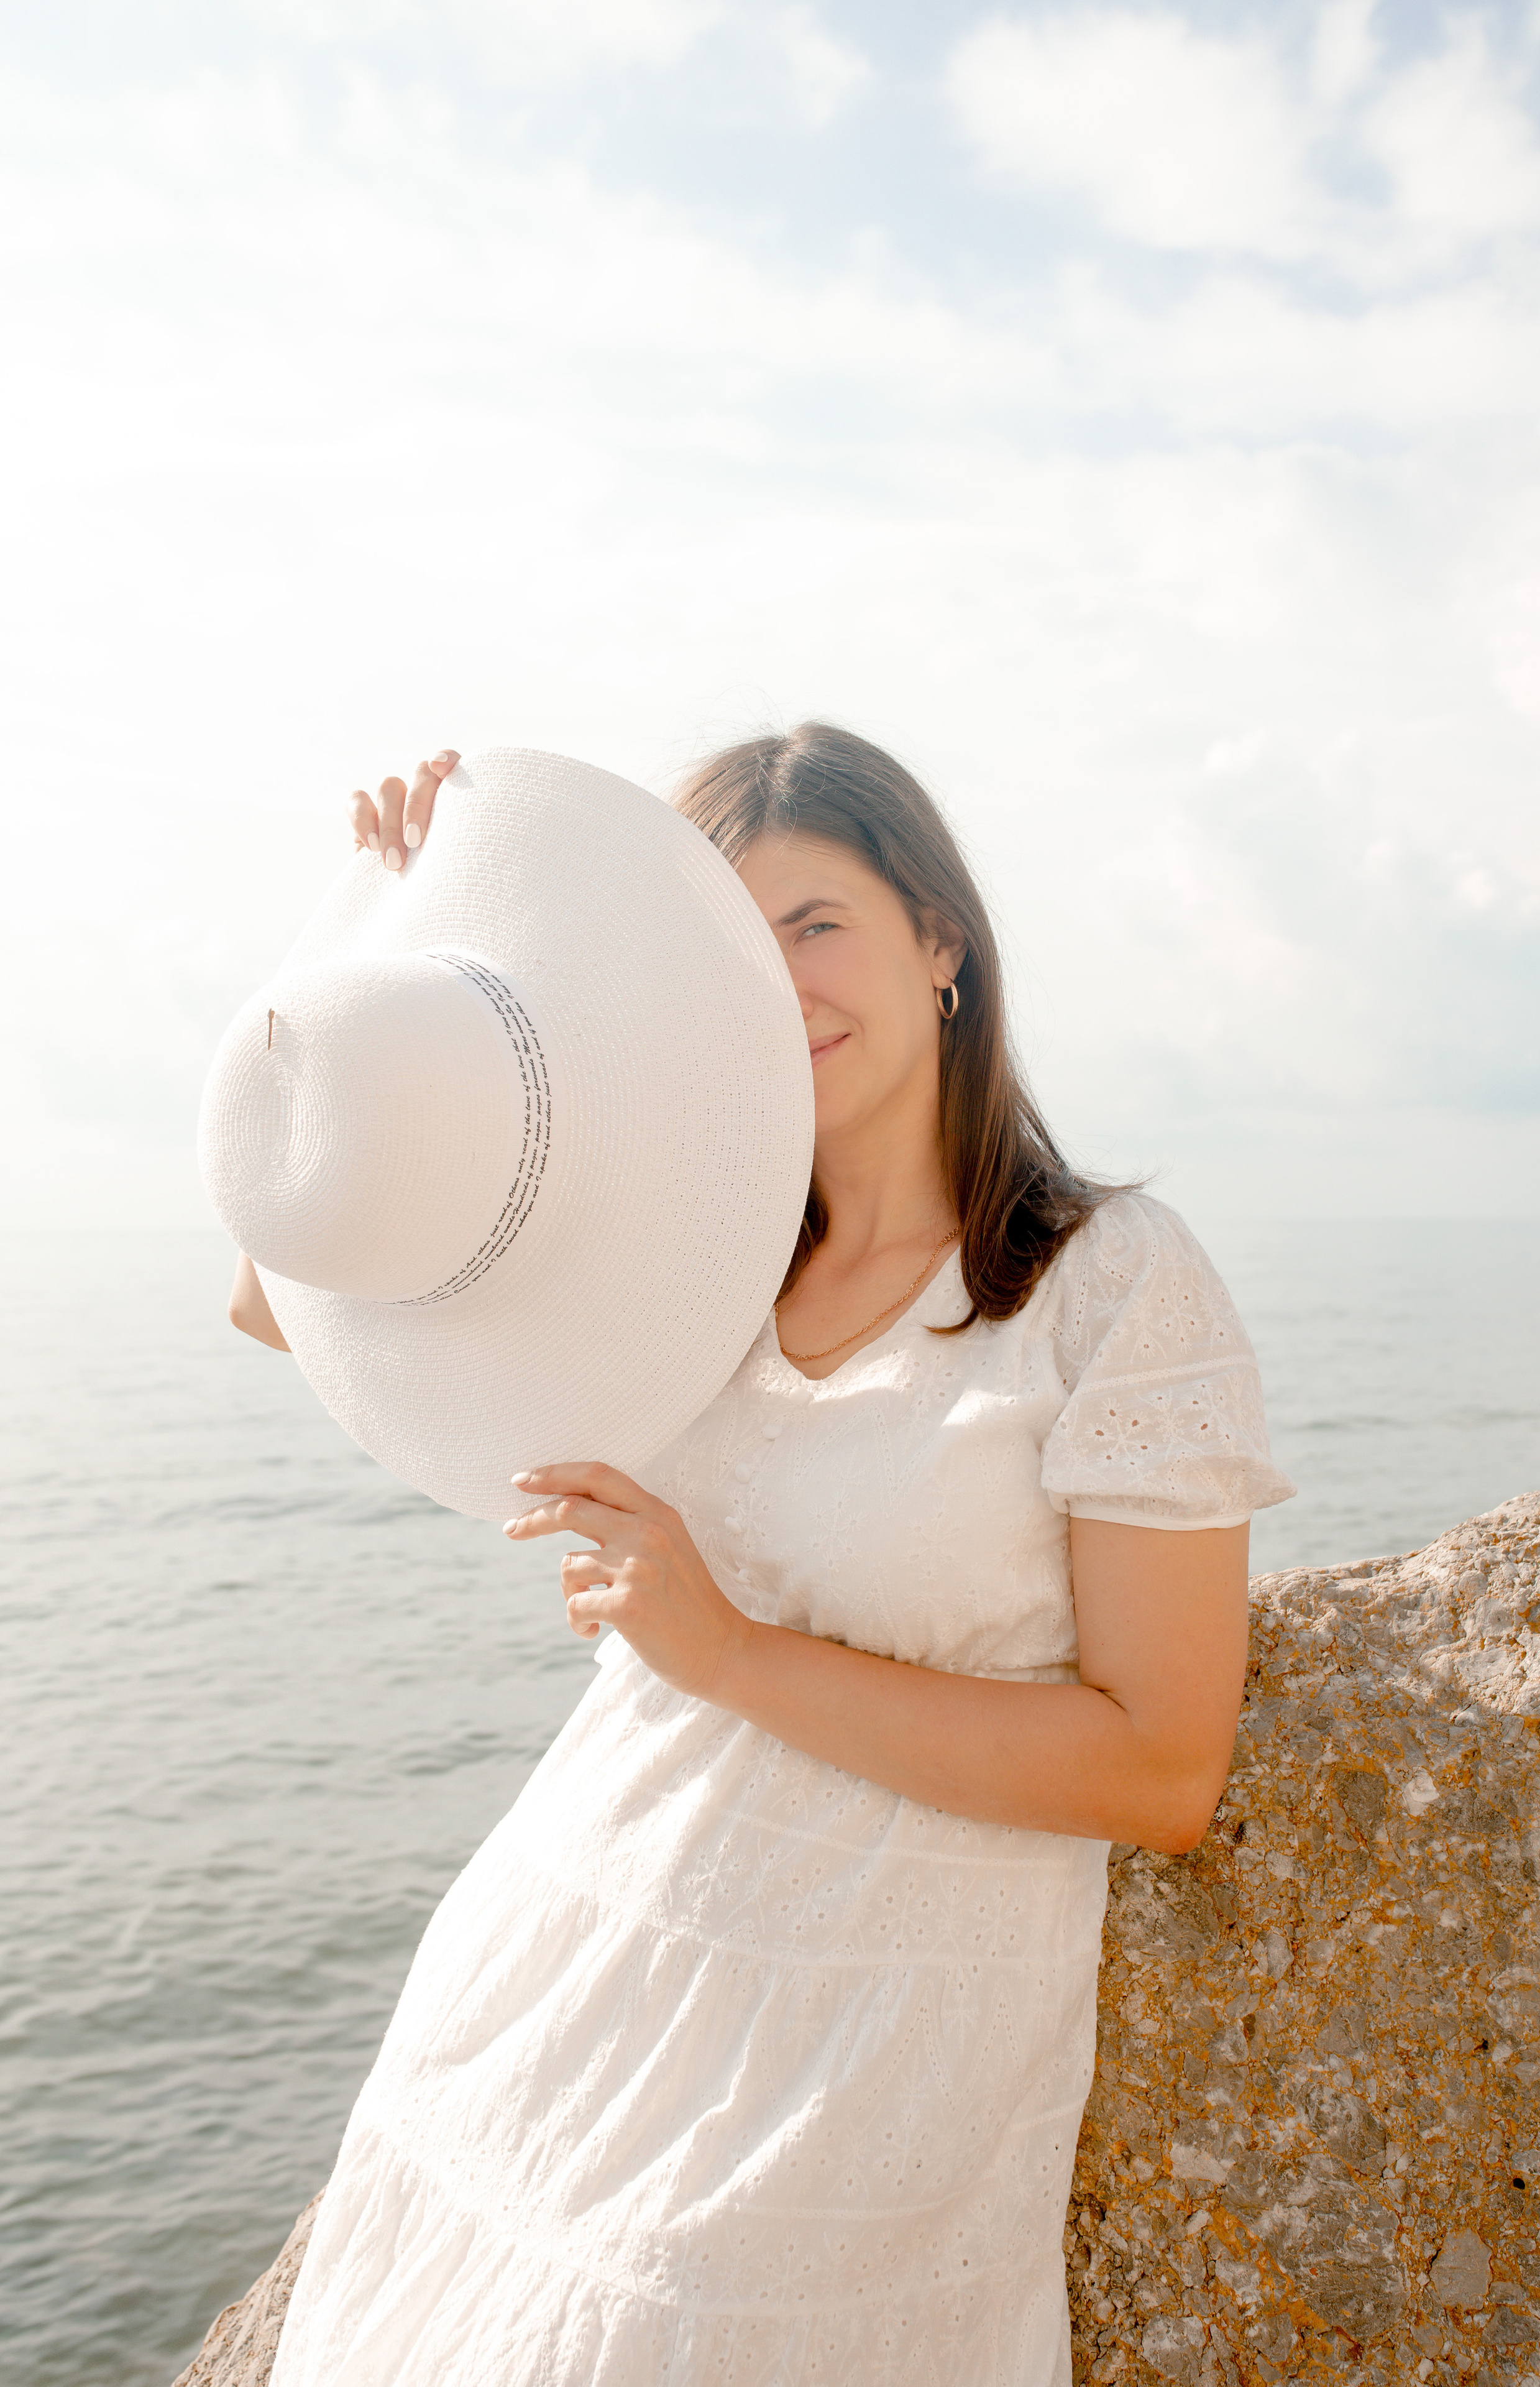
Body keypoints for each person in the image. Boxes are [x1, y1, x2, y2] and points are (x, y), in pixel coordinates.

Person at [234, 722, 1293, 2386]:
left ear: (941, 944)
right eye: (730, 942)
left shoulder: (1111, 1284)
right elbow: (286, 1296)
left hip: (859, 2052)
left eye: (816, 925)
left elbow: (1162, 1767)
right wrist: (375, 944)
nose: (778, 979)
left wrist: (727, 1653)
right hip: (571, 1960)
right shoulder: (673, 1254)